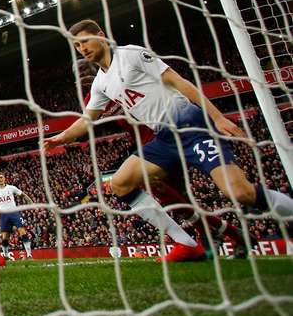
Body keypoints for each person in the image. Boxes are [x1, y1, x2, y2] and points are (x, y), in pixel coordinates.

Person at [44, 19, 293, 262]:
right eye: (77, 46)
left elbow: (178, 81)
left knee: (240, 192)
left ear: (100, 34)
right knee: (120, 184)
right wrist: (59, 139)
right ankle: (186, 241)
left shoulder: (131, 54)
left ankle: (250, 226)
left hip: (191, 127)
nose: (83, 48)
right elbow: (86, 121)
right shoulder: (100, 85)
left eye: (85, 41)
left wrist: (217, 117)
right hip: (163, 139)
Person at [76, 57, 249, 259]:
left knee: (176, 197)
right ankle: (223, 234)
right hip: (150, 148)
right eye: (78, 74)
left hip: (169, 134)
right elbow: (83, 130)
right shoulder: (95, 98)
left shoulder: (119, 78)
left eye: (85, 70)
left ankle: (215, 235)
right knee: (176, 200)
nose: (83, 76)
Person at [0, 172, 33, 259]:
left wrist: (31, 202)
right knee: (5, 237)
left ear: (4, 178)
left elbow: (22, 194)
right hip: (3, 215)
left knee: (22, 231)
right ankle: (5, 255)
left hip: (14, 212)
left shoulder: (11, 188)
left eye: (1, 177)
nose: (0, 179)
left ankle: (29, 254)